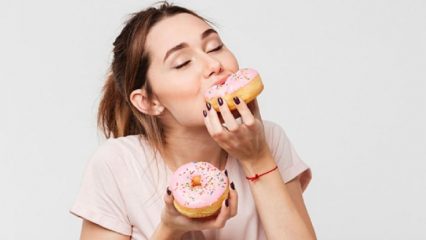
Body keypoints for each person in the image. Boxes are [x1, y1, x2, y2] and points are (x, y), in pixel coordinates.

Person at [70, 2, 316, 239]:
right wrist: (170, 229)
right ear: (149, 102)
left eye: (214, 47)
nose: (214, 65)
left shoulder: (268, 139)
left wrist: (257, 159)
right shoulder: (118, 165)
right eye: (183, 62)